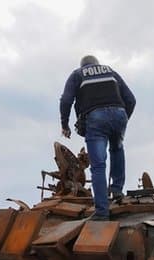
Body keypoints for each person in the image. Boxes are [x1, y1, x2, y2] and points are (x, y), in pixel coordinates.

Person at [59, 55, 136, 220]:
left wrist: (64, 125)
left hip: (95, 117)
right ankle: (117, 190)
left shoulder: (77, 74)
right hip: (119, 113)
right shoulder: (111, 72)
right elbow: (131, 99)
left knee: (98, 165)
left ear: (83, 65)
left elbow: (66, 100)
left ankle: (102, 212)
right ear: (97, 64)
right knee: (117, 148)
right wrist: (122, 119)